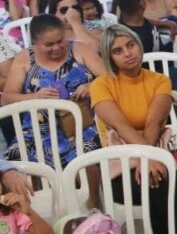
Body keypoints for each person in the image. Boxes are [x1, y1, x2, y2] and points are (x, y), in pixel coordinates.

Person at [90, 25, 177, 234]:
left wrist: (150, 158)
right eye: (118, 50)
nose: (127, 53)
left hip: (159, 151)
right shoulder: (101, 85)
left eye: (130, 45)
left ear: (139, 45)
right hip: (121, 165)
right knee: (160, 185)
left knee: (160, 182)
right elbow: (121, 127)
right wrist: (147, 159)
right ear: (110, 57)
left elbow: (154, 123)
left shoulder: (159, 80)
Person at [3, 14, 104, 204]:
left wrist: (92, 86)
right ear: (35, 42)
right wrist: (35, 96)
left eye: (60, 41)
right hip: (37, 130)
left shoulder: (80, 49)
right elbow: (7, 98)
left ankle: (92, 207)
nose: (56, 47)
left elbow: (109, 78)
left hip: (81, 127)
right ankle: (38, 212)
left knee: (87, 155)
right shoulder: (25, 58)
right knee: (14, 158)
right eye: (48, 45)